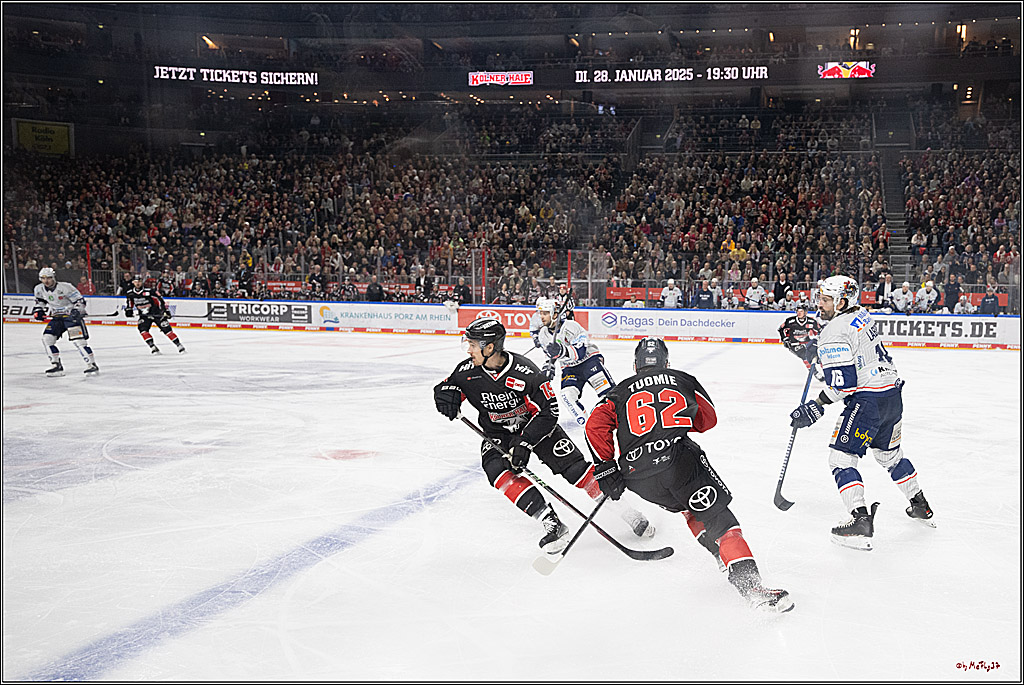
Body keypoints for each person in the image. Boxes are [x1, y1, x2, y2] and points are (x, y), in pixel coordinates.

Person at [585, 337, 793, 613]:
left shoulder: (619, 391)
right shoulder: (683, 379)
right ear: (667, 364)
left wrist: (606, 467)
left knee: (689, 508)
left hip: (638, 477)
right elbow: (708, 420)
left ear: (635, 366)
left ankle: (721, 555)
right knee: (720, 520)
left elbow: (594, 425)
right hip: (679, 463)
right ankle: (752, 589)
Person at [432, 319, 655, 554]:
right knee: (497, 471)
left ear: (489, 348)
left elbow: (550, 410)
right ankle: (551, 522)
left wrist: (525, 443)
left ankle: (627, 512)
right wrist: (445, 396)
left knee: (576, 470)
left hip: (537, 429)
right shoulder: (466, 372)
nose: (468, 350)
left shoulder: (525, 372)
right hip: (498, 434)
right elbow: (448, 386)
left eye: (473, 345)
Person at [789, 276, 935, 551]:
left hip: (866, 401)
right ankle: (920, 505)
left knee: (841, 459)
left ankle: (860, 521)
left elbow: (845, 386)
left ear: (842, 302)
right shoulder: (861, 314)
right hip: (892, 394)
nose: (819, 304)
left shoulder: (832, 332)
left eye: (826, 299)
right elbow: (855, 349)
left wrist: (816, 404)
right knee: (889, 456)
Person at [535, 298, 616, 428]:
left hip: (589, 361)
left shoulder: (571, 326)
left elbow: (581, 352)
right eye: (541, 313)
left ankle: (619, 419)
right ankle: (588, 426)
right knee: (567, 396)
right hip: (569, 368)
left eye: (545, 313)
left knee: (609, 395)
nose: (542, 317)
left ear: (555, 314)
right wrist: (548, 367)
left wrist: (561, 350)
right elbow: (550, 355)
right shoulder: (543, 334)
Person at [32, 267, 99, 376]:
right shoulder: (39, 289)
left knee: (79, 342)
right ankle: (56, 364)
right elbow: (40, 302)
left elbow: (80, 300)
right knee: (47, 339)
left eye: (48, 278)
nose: (46, 281)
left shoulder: (65, 287)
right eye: (43, 278)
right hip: (57, 318)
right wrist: (38, 311)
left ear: (53, 277)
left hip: (70, 318)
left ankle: (91, 365)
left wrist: (77, 310)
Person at [125, 274, 186, 354]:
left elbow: (160, 300)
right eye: (136, 282)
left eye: (139, 281)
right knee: (143, 330)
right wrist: (129, 310)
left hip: (156, 313)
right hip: (145, 316)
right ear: (133, 282)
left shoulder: (150, 291)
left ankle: (179, 345)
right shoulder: (130, 293)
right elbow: (130, 302)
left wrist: (164, 310)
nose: (138, 283)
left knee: (167, 330)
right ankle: (153, 347)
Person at [778, 305, 824, 382]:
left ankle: (827, 371)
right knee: (805, 356)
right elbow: (781, 329)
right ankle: (815, 373)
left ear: (805, 312)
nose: (799, 313)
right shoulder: (790, 321)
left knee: (819, 356)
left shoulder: (811, 321)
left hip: (807, 343)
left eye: (801, 311)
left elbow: (820, 330)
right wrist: (785, 339)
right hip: (794, 344)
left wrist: (820, 337)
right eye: (798, 311)